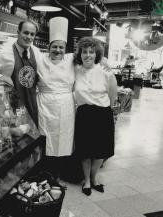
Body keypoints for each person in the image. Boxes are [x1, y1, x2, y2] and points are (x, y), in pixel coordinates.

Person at [0, 19, 44, 131]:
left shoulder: (36, 52)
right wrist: (1, 77)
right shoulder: (6, 53)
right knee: (16, 141)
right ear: (18, 32)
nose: (29, 37)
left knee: (33, 139)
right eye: (26, 32)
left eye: (32, 34)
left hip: (33, 104)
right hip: (12, 109)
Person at [73, 37, 118, 196]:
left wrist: (109, 111)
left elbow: (113, 93)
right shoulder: (76, 70)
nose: (88, 55)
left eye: (91, 52)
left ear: (96, 54)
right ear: (80, 54)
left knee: (100, 151)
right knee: (85, 151)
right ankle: (86, 180)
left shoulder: (105, 71)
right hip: (84, 114)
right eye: (84, 52)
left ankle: (94, 178)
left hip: (102, 114)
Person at [37, 17, 76, 188]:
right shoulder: (40, 59)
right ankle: (45, 174)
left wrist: (103, 63)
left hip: (66, 105)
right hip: (45, 105)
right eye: (54, 47)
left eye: (61, 47)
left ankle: (58, 176)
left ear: (65, 49)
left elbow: (92, 56)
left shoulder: (71, 60)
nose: (57, 50)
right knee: (46, 139)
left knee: (63, 140)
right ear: (49, 47)